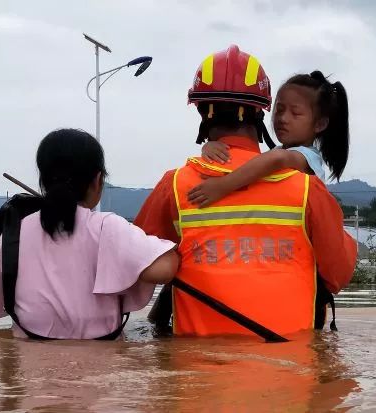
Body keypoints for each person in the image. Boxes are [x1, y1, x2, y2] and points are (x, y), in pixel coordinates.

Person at [134, 45, 357, 338]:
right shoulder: (306, 186)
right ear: (261, 112)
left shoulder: (175, 185)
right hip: (290, 371)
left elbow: (133, 261)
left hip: (197, 372)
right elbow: (336, 276)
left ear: (201, 112)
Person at [0, 128, 179, 339]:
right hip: (101, 364)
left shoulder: (13, 234)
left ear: (44, 180)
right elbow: (164, 270)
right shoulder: (107, 227)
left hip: (28, 364)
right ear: (98, 180)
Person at [188, 70, 349, 208]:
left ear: (319, 124)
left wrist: (223, 185)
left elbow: (276, 159)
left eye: (295, 113)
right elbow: (256, 164)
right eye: (279, 110)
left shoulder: (306, 157)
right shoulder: (279, 152)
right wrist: (210, 145)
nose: (283, 118)